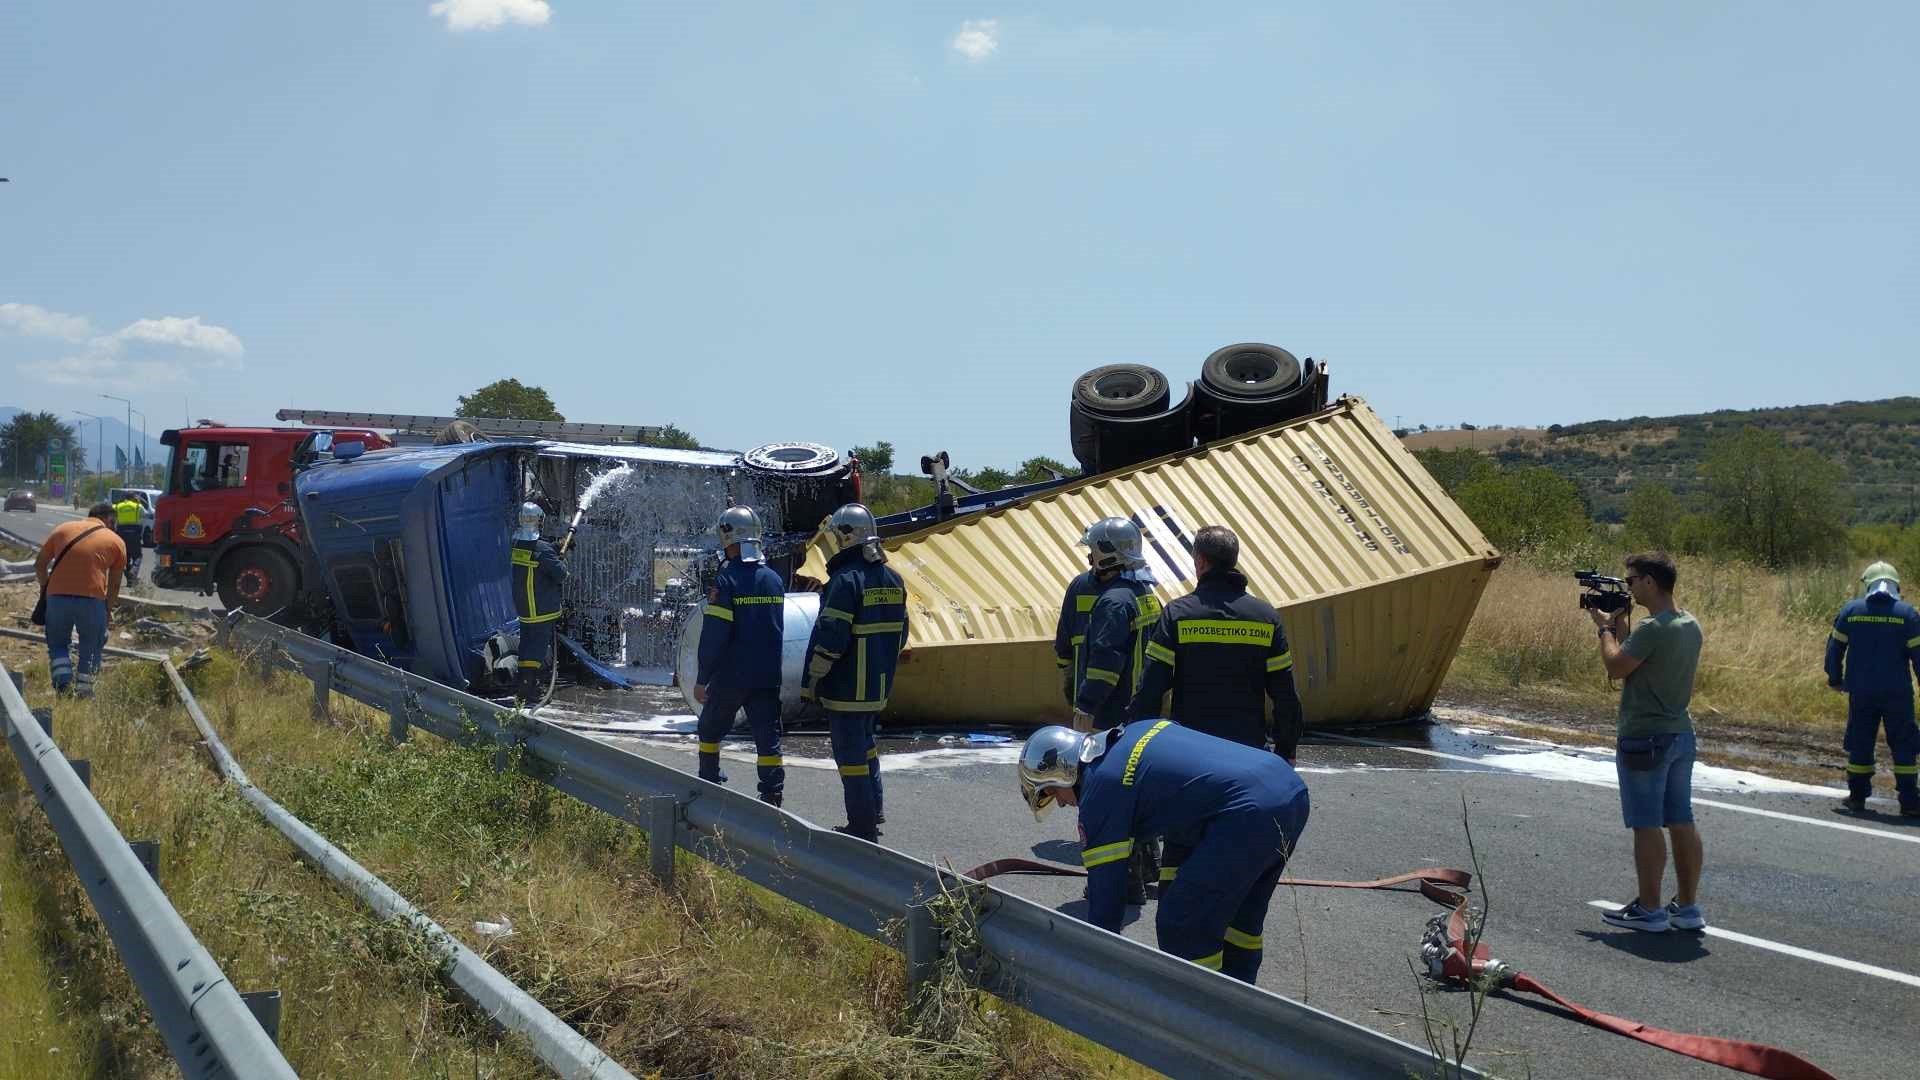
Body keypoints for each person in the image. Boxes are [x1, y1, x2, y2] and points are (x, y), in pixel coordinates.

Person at [1017, 721, 1310, 983]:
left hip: (1247, 814)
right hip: (1286, 790)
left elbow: (1106, 900)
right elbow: (1187, 808)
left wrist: (1096, 975)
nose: (1063, 803)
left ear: (1063, 774)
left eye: (1052, 792)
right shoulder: (1135, 732)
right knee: (1240, 922)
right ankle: (1246, 1014)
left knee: (1182, 924)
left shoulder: (1100, 787)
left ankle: (1201, 1016)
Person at [1130, 524, 1304, 890]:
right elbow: (1285, 695)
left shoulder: (1178, 614)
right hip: (1247, 754)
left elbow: (1151, 689)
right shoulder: (1265, 617)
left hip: (1189, 757)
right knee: (1234, 842)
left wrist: (1136, 741)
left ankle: (1177, 921)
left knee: (1182, 844)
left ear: (1201, 561)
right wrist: (1286, 750)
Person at [1591, 551, 1705, 933]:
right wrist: (1622, 624)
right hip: (1679, 734)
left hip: (1645, 738)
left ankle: (1651, 910)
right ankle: (1687, 907)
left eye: (1632, 580)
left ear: (1650, 582)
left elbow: (1616, 666)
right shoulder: (1688, 625)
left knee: (1646, 824)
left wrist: (1604, 629)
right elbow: (1636, 659)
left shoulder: (1653, 629)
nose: (1629, 587)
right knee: (1681, 820)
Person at [1054, 515, 1163, 900]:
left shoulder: (1114, 601)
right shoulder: (1146, 593)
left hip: (1110, 716)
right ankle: (1147, 866)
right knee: (1139, 794)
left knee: (1106, 801)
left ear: (1106, 555)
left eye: (1091, 551)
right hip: (1141, 715)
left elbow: (1104, 665)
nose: (1087, 559)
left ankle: (1120, 883)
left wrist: (1084, 708)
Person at [801, 503, 907, 841]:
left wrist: (814, 680)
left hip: (846, 689)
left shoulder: (845, 581)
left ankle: (861, 826)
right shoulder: (893, 579)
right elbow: (902, 634)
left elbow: (831, 637)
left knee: (850, 758)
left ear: (848, 537)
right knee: (867, 748)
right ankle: (874, 810)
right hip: (877, 689)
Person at [693, 506, 788, 806]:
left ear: (728, 537)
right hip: (767, 675)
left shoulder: (726, 581)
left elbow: (714, 636)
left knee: (709, 729)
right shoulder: (774, 579)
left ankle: (709, 781)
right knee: (767, 738)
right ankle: (772, 794)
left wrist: (701, 678)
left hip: (732, 676)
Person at [1824, 561, 1920, 817]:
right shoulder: (1908, 614)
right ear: (1896, 584)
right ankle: (1910, 803)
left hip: (1861, 692)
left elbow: (1834, 648)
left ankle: (1857, 798)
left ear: (1867, 583)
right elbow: (1918, 656)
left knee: (1860, 742)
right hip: (1898, 694)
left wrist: (1835, 678)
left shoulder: (1851, 610)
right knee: (1904, 744)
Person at [34, 503, 125, 698]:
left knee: (57, 644)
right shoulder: (116, 541)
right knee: (91, 645)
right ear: (109, 519)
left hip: (57, 599)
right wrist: (108, 610)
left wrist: (45, 588)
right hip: (93, 601)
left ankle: (63, 685)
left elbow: (39, 564)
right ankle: (84, 694)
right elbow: (115, 584)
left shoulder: (62, 529)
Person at [509, 502, 568, 701]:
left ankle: (523, 686)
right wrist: (561, 557)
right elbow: (561, 574)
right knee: (538, 650)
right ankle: (530, 689)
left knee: (527, 646)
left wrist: (555, 547)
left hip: (526, 609)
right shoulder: (542, 550)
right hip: (542, 608)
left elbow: (538, 553)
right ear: (540, 522)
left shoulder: (517, 544)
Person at [112, 493, 143, 586]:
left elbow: (113, 519)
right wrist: (138, 502)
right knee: (138, 556)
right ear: (133, 498)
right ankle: (133, 573)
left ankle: (130, 579)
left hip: (121, 533)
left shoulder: (117, 506)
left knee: (126, 557)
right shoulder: (138, 506)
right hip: (134, 532)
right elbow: (143, 516)